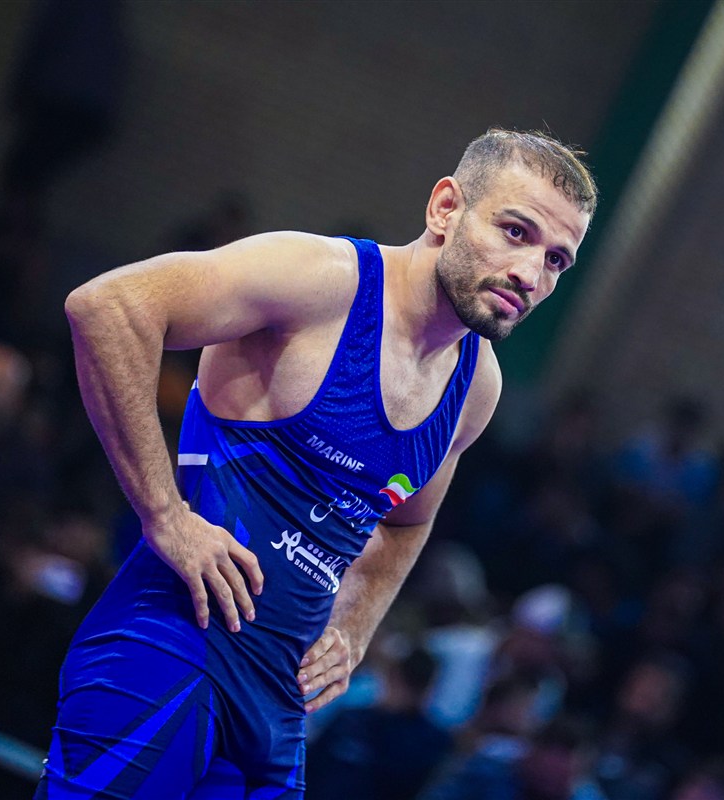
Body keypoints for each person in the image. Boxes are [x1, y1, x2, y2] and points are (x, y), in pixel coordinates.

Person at [38, 128, 597, 799]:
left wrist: (356, 625)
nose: (531, 274)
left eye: (556, 260)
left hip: (277, 709)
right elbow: (107, 308)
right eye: (515, 232)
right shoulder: (320, 281)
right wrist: (165, 515)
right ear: (446, 208)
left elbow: (405, 523)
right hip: (167, 653)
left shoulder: (476, 386)